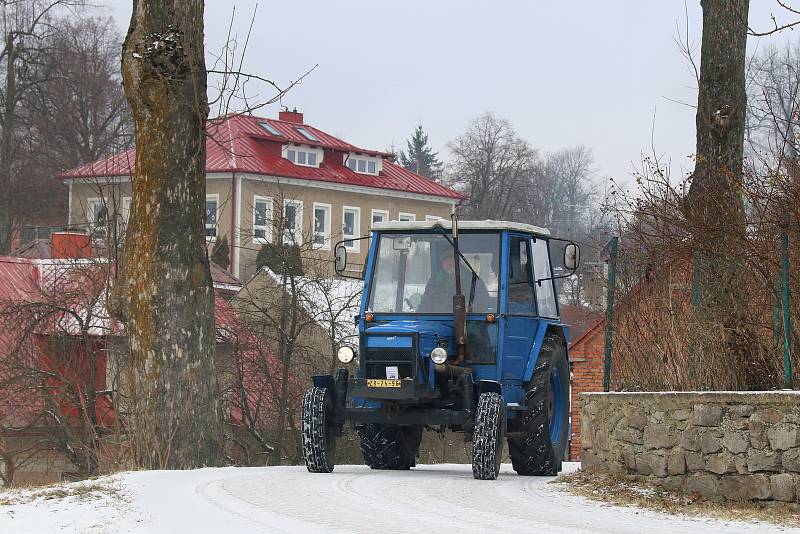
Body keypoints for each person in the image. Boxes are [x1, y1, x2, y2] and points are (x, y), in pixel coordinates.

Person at [417, 249, 491, 313]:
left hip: (466, 320)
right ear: (442, 264)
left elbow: (484, 300)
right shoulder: (434, 280)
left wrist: (472, 307)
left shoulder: (472, 279)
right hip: (438, 319)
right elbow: (425, 302)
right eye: (446, 260)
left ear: (458, 262)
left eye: (452, 260)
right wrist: (418, 315)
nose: (449, 263)